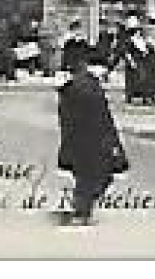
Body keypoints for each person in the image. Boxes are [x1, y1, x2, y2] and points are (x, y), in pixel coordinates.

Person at [57, 46, 129, 225]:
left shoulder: (73, 86)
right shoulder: (89, 87)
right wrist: (114, 143)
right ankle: (81, 210)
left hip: (77, 141)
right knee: (98, 176)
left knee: (86, 176)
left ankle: (81, 208)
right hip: (94, 141)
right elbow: (103, 119)